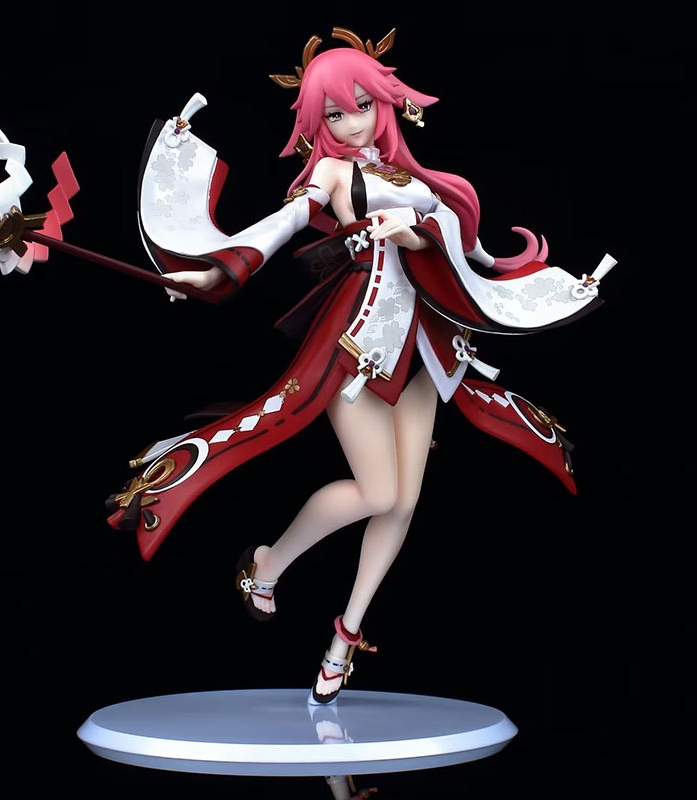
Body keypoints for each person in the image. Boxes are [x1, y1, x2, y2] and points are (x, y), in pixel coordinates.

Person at [104, 26, 614, 705]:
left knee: (404, 501)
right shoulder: (331, 174)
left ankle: (345, 637)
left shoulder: (419, 180)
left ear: (385, 102)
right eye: (335, 114)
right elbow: (284, 225)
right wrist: (217, 271)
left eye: (361, 107)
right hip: (362, 340)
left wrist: (540, 282)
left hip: (429, 344)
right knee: (378, 493)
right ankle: (268, 563)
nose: (350, 124)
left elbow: (472, 253)